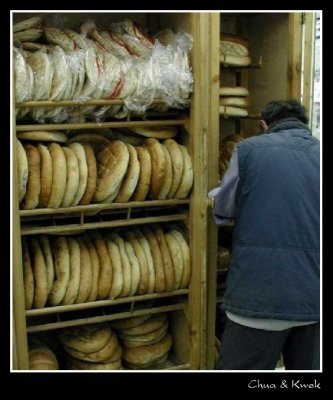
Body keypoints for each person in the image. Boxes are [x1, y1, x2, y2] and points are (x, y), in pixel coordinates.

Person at [209, 100, 320, 370]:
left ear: (263, 125)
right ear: (303, 123)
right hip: (311, 299)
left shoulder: (247, 150)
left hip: (258, 297)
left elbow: (224, 209)